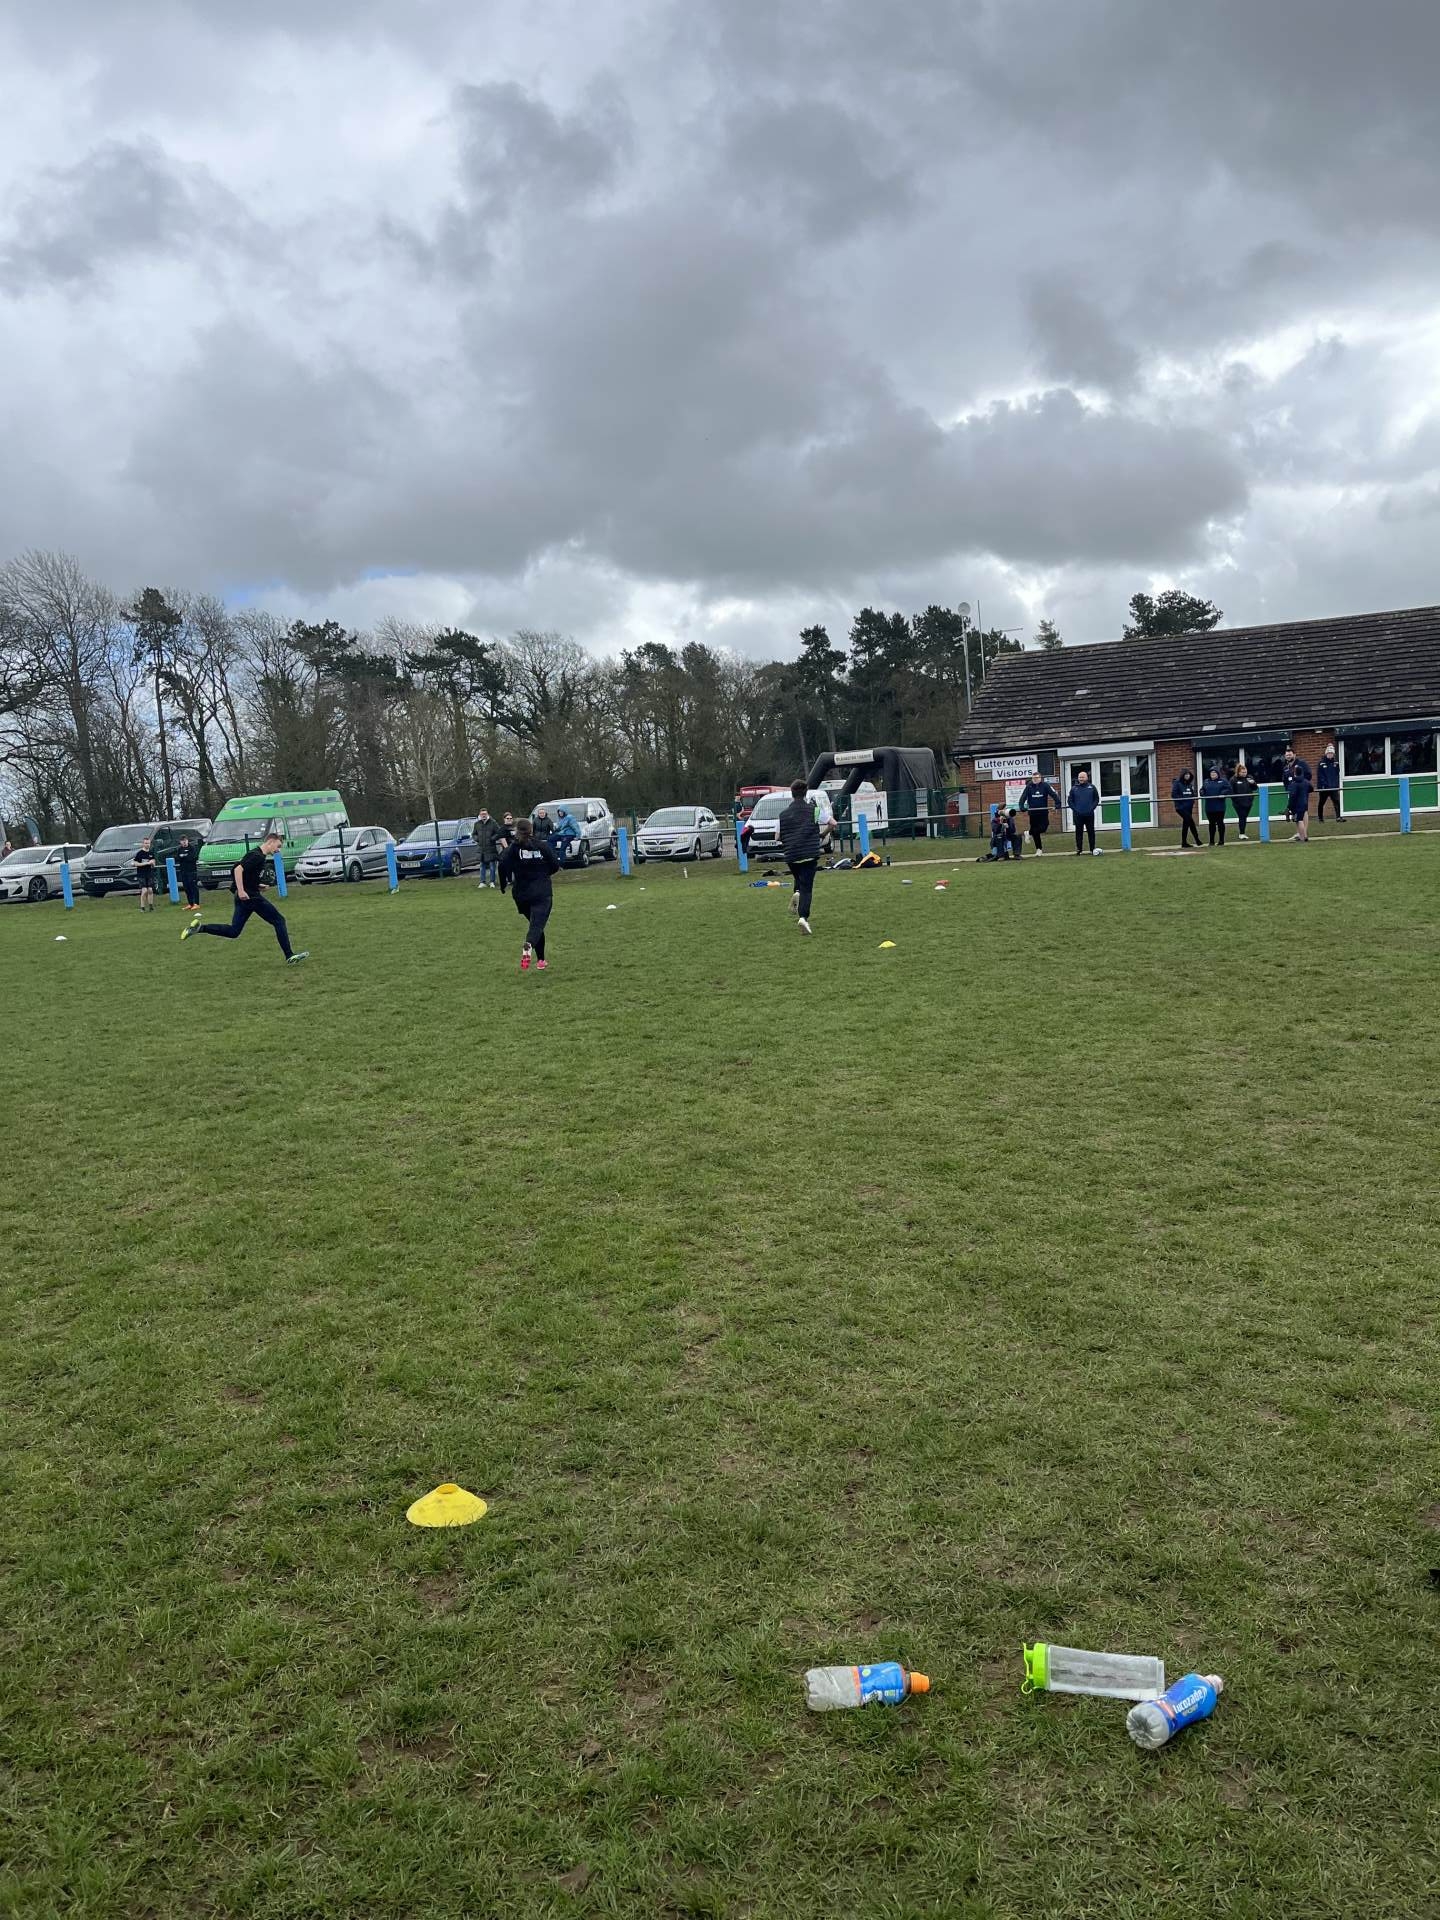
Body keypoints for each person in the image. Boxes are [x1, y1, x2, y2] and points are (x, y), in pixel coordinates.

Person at [181, 829, 307, 963]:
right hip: (250, 897)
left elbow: (245, 874)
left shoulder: (258, 855)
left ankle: (199, 928)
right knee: (279, 920)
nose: (278, 850)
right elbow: (238, 870)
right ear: (270, 842)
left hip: (245, 897)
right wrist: (241, 890)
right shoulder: (257, 855)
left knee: (234, 931)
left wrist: (257, 885)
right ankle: (289, 955)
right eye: (278, 846)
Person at [498, 817, 560, 971]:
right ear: (531, 829)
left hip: (521, 894)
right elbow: (555, 865)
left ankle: (541, 961)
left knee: (535, 925)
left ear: (516, 831)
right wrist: (543, 874)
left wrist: (504, 883)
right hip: (541, 892)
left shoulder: (512, 849)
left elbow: (502, 865)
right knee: (537, 925)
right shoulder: (541, 846)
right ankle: (529, 944)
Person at [778, 778, 821, 933]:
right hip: (809, 854)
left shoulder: (783, 815)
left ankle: (796, 892)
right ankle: (803, 917)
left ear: (792, 794)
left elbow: (778, 836)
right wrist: (822, 834)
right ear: (805, 793)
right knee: (807, 888)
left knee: (800, 880)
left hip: (791, 855)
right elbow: (832, 823)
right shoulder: (814, 810)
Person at [1018, 773, 1062, 854]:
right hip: (1033, 812)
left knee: (1043, 828)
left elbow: (1053, 794)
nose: (1035, 779)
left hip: (1043, 811)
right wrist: (1021, 806)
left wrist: (1058, 804)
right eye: (1033, 778)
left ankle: (1029, 833)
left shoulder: (1045, 785)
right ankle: (1039, 849)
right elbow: (1023, 797)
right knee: (1035, 831)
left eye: (1036, 778)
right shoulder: (1029, 786)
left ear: (1040, 778)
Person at [1068, 768, 1100, 855]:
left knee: (1091, 832)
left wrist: (1092, 808)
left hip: (1089, 814)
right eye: (1080, 777)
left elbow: (1096, 799)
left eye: (1083, 777)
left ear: (1086, 778)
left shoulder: (1092, 787)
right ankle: (1079, 850)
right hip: (1078, 815)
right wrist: (1075, 810)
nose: (1081, 779)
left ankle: (1092, 849)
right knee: (1078, 832)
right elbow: (1070, 801)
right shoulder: (1074, 788)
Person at [1201, 765, 1232, 846]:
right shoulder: (1206, 781)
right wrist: (1202, 792)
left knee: (1220, 823)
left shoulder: (1223, 781)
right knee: (1211, 824)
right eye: (1211, 773)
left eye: (1214, 772)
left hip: (1219, 807)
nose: (1213, 774)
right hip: (1209, 806)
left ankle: (1221, 841)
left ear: (1218, 773)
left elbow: (1229, 789)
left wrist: (1223, 793)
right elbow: (1202, 789)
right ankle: (1211, 841)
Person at [1285, 752, 1313, 843]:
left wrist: (1289, 806)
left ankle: (1303, 836)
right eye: (1287, 755)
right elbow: (1311, 788)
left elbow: (1309, 775)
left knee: (1299, 819)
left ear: (1294, 755)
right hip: (1301, 798)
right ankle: (1303, 835)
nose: (1288, 756)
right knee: (1299, 817)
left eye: (1290, 754)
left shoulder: (1302, 764)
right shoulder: (1286, 768)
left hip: (1299, 799)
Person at [1171, 768, 1201, 848]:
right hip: (1181, 807)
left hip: (1189, 808)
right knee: (1191, 821)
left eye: (1188, 774)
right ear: (1183, 775)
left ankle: (1184, 843)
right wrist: (1183, 800)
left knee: (1186, 823)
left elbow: (1192, 794)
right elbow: (1174, 795)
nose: (1187, 776)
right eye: (1186, 774)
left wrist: (1192, 800)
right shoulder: (1177, 783)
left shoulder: (1189, 784)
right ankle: (1197, 840)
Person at [475, 808, 502, 889]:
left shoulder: (493, 823)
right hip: (481, 849)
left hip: (491, 848)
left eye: (485, 814)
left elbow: (498, 833)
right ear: (480, 815)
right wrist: (477, 839)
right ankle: (482, 882)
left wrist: (492, 838)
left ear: (487, 814)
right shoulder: (477, 824)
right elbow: (474, 834)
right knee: (482, 866)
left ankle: (492, 882)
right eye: (482, 814)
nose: (483, 815)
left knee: (492, 866)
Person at [174, 832, 202, 910]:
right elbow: (177, 858)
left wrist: (183, 856)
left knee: (193, 887)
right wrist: (183, 857)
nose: (184, 842)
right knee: (186, 887)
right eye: (182, 841)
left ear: (187, 840)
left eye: (185, 840)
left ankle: (196, 903)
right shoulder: (179, 849)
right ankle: (190, 903)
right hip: (183, 871)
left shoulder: (192, 848)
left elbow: (192, 858)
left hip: (192, 871)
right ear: (180, 842)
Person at [1230, 762, 1257, 840]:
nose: (1244, 774)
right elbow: (1231, 791)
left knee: (1244, 817)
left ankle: (1242, 833)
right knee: (1242, 816)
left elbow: (1255, 788)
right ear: (1238, 772)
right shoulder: (1233, 779)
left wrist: (1253, 783)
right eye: (1243, 772)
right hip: (1238, 803)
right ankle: (1242, 833)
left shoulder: (1249, 777)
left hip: (1248, 802)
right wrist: (1236, 800)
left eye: (1245, 772)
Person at [1316, 743, 1342, 823]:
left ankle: (1338, 817)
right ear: (1326, 753)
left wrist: (1336, 784)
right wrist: (1323, 785)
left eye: (1332, 753)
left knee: (1336, 802)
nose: (1330, 755)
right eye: (1329, 753)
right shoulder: (1321, 763)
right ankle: (1320, 818)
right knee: (1321, 802)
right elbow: (1320, 775)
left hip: (1333, 786)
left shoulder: (1336, 763)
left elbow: (1337, 774)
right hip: (1324, 787)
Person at [134, 835, 158, 910]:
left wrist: (152, 863)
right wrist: (146, 863)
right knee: (144, 891)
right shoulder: (139, 853)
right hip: (141, 874)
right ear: (143, 844)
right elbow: (135, 863)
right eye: (146, 843)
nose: (147, 844)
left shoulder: (151, 853)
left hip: (149, 874)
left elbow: (154, 863)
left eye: (148, 843)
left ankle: (151, 907)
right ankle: (142, 907)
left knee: (150, 890)